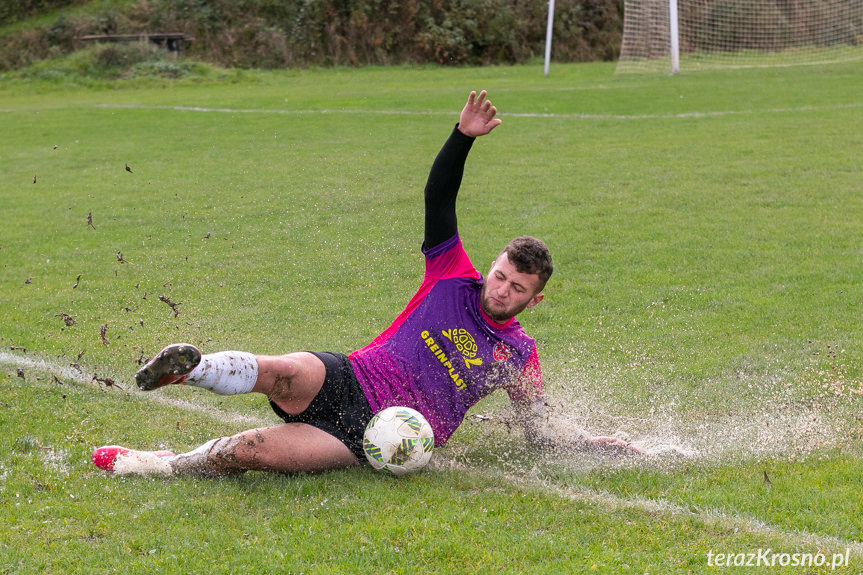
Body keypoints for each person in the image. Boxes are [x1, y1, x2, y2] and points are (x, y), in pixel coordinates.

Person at [92, 90, 639, 478]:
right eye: (499, 276)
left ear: (533, 299)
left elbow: (539, 431)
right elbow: (438, 199)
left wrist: (598, 447)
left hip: (374, 438)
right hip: (349, 376)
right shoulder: (452, 275)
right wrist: (461, 138)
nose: (500, 291)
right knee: (281, 371)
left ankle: (159, 464)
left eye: (516, 289)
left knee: (251, 453)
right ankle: (192, 367)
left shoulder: (518, 353)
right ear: (490, 267)